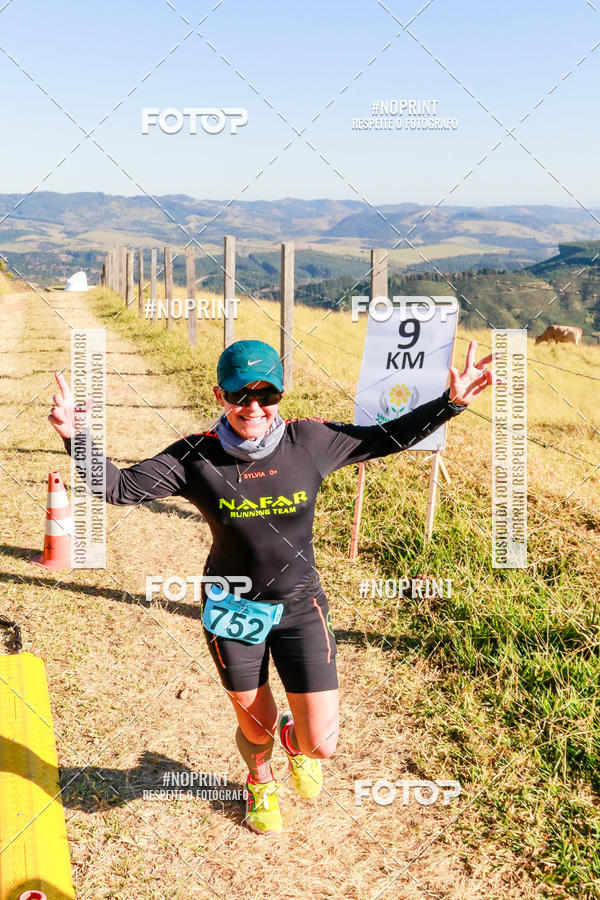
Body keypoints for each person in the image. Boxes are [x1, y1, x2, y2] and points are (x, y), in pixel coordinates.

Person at [48, 338, 499, 835]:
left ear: (281, 396)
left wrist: (449, 404)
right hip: (232, 608)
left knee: (320, 743)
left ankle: (293, 741)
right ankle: (258, 778)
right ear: (220, 396)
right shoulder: (197, 456)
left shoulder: (309, 442)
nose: (255, 408)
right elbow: (121, 488)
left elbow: (385, 438)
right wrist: (76, 435)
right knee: (254, 725)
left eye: (268, 396)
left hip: (300, 605)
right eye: (241, 396)